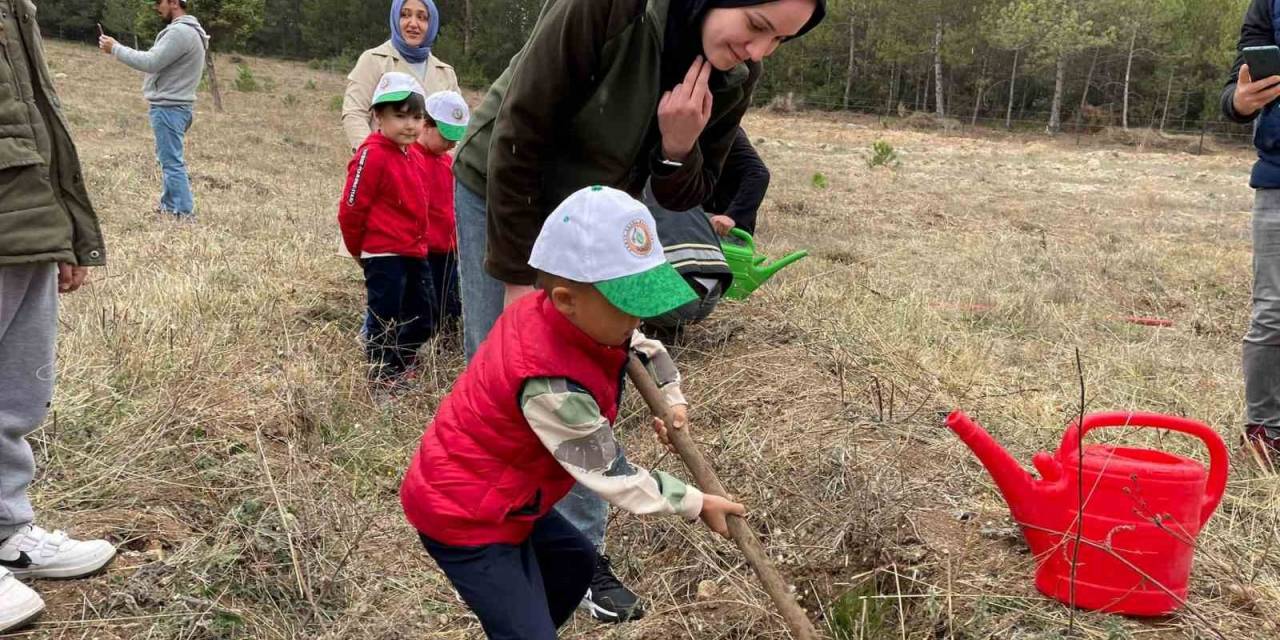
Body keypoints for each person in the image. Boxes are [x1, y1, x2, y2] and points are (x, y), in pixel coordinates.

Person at [451, 0, 825, 619]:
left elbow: (690, 192)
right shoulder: (608, 10)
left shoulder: (735, 73)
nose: (759, 52)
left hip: (599, 221)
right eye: (757, 26)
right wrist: (518, 277)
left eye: (779, 41)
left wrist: (679, 147)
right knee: (512, 375)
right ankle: (492, 532)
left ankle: (581, 553)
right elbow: (522, 127)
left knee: (587, 379)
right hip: (509, 184)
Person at [400, 186, 746, 639]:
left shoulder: (580, 320)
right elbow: (611, 473)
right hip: (465, 512)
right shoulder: (548, 384)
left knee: (574, 565)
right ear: (566, 299)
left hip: (513, 494)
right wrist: (696, 503)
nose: (637, 320)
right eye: (628, 305)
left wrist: (673, 395)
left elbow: (643, 349)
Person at [0, 1, 118, 632]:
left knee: (17, 393)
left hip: (23, 211)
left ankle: (6, 532)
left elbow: (35, 117)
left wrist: (63, 231)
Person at [338, 73, 436, 385]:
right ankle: (383, 376)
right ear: (378, 116)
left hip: (413, 251)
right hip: (384, 254)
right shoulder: (373, 154)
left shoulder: (411, 155)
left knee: (425, 315)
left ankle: (400, 359)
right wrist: (360, 252)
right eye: (401, 116)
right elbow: (351, 210)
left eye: (417, 117)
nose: (411, 125)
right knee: (386, 319)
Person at [1223, 0, 1280, 464]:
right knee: (1273, 315)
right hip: (1278, 180)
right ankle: (1265, 437)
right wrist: (1238, 101)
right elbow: (1235, 88)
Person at [647, 127, 771, 330]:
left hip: (722, 227)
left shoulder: (725, 132)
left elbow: (759, 174)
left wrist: (733, 216)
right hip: (701, 219)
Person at [98, 0, 208, 219]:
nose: (156, 7)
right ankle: (169, 207)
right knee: (167, 158)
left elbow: (151, 62)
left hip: (169, 107)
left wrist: (116, 49)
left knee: (171, 162)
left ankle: (184, 214)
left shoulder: (180, 32)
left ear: (175, 2)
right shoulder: (191, 31)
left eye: (160, 2)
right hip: (177, 106)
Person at [342, 0, 460, 152]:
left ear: (432, 24)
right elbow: (354, 113)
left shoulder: (445, 73)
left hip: (430, 173)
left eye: (422, 17)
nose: (413, 23)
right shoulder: (374, 60)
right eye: (405, 15)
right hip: (384, 169)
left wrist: (447, 166)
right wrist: (370, 155)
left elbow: (456, 127)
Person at [416, 91, 470, 328]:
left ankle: (446, 342)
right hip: (422, 250)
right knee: (424, 301)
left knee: (450, 305)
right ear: (426, 125)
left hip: (448, 251)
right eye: (446, 137)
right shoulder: (410, 159)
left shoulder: (449, 163)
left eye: (455, 140)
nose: (451, 144)